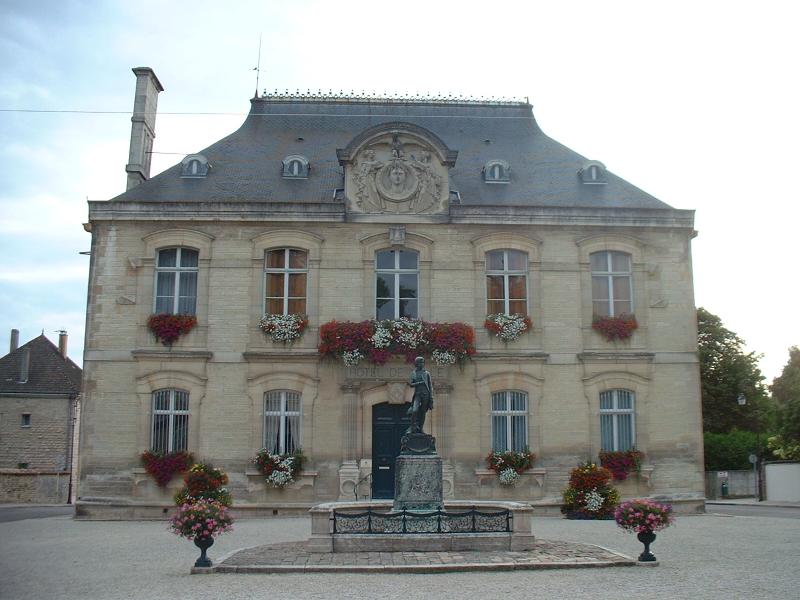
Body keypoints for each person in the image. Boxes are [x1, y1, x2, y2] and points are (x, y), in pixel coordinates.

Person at [407, 356, 433, 434]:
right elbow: (411, 384)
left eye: (423, 362)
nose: (422, 364)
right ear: (416, 363)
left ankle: (421, 428)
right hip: (418, 395)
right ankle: (412, 427)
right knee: (415, 410)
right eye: (420, 362)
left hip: (426, 395)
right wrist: (419, 383)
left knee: (423, 412)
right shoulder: (414, 373)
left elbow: (430, 386)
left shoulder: (427, 373)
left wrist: (431, 398)